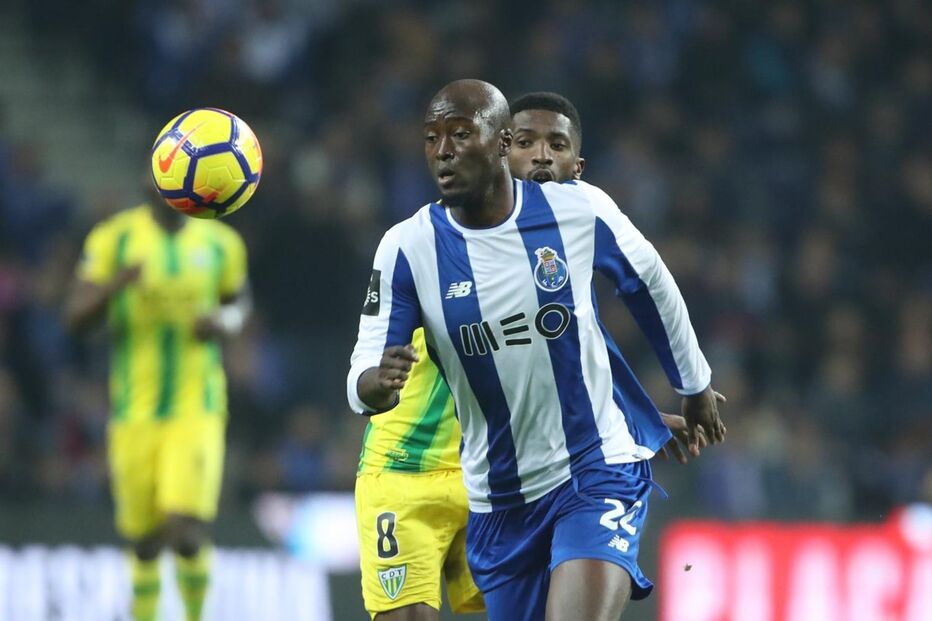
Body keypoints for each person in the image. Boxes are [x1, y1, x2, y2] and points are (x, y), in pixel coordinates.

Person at [347, 79, 725, 621]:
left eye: (556, 146)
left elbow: (632, 307)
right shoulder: (412, 247)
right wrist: (372, 385)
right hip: (471, 489)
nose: (540, 156)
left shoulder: (575, 219)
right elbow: (368, 363)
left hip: (590, 472)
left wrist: (687, 391)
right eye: (433, 138)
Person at [64, 194, 250, 621]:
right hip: (133, 412)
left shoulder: (221, 242)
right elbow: (74, 318)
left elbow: (239, 305)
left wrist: (223, 323)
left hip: (197, 406)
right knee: (144, 543)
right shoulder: (116, 238)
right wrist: (117, 284)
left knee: (185, 530)